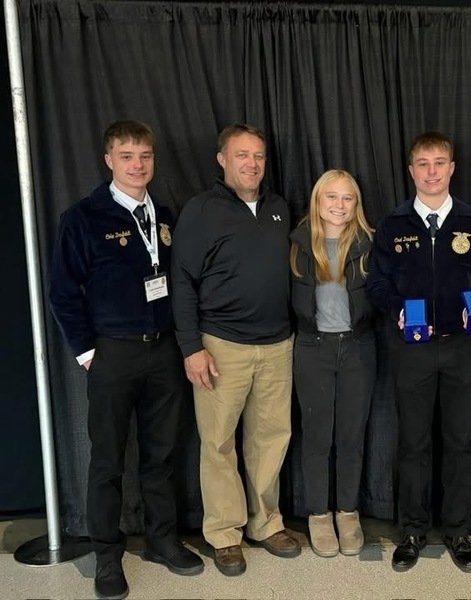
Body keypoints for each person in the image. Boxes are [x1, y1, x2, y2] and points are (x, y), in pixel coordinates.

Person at [49, 120, 203, 600]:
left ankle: (160, 540)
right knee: (108, 461)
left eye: (145, 156)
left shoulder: (167, 215)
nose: (138, 165)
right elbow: (62, 291)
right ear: (108, 160)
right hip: (112, 352)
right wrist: (88, 351)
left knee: (161, 455)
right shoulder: (83, 217)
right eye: (127, 156)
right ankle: (107, 556)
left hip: (162, 349)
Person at [170, 123, 298, 577]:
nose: (251, 164)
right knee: (218, 442)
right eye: (242, 155)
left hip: (278, 345)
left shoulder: (280, 208)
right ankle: (225, 534)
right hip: (220, 345)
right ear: (222, 159)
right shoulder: (201, 210)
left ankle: (266, 523)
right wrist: (191, 347)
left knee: (271, 438)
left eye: (259, 156)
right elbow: (181, 281)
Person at [367, 131, 471, 573]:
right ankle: (413, 530)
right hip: (413, 351)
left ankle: (458, 529)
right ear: (411, 170)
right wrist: (398, 309)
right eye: (423, 163)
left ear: (453, 168)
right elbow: (377, 285)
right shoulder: (393, 224)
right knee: (413, 444)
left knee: (459, 442)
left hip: (463, 349)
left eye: (440, 163)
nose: (432, 172)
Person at [289, 169, 376, 558]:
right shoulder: (297, 243)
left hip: (357, 347)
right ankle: (318, 515)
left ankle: (347, 512)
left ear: (356, 204)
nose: (339, 206)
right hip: (313, 347)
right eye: (332, 198)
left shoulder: (368, 243)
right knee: (317, 436)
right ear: (317, 201)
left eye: (348, 198)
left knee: (351, 436)